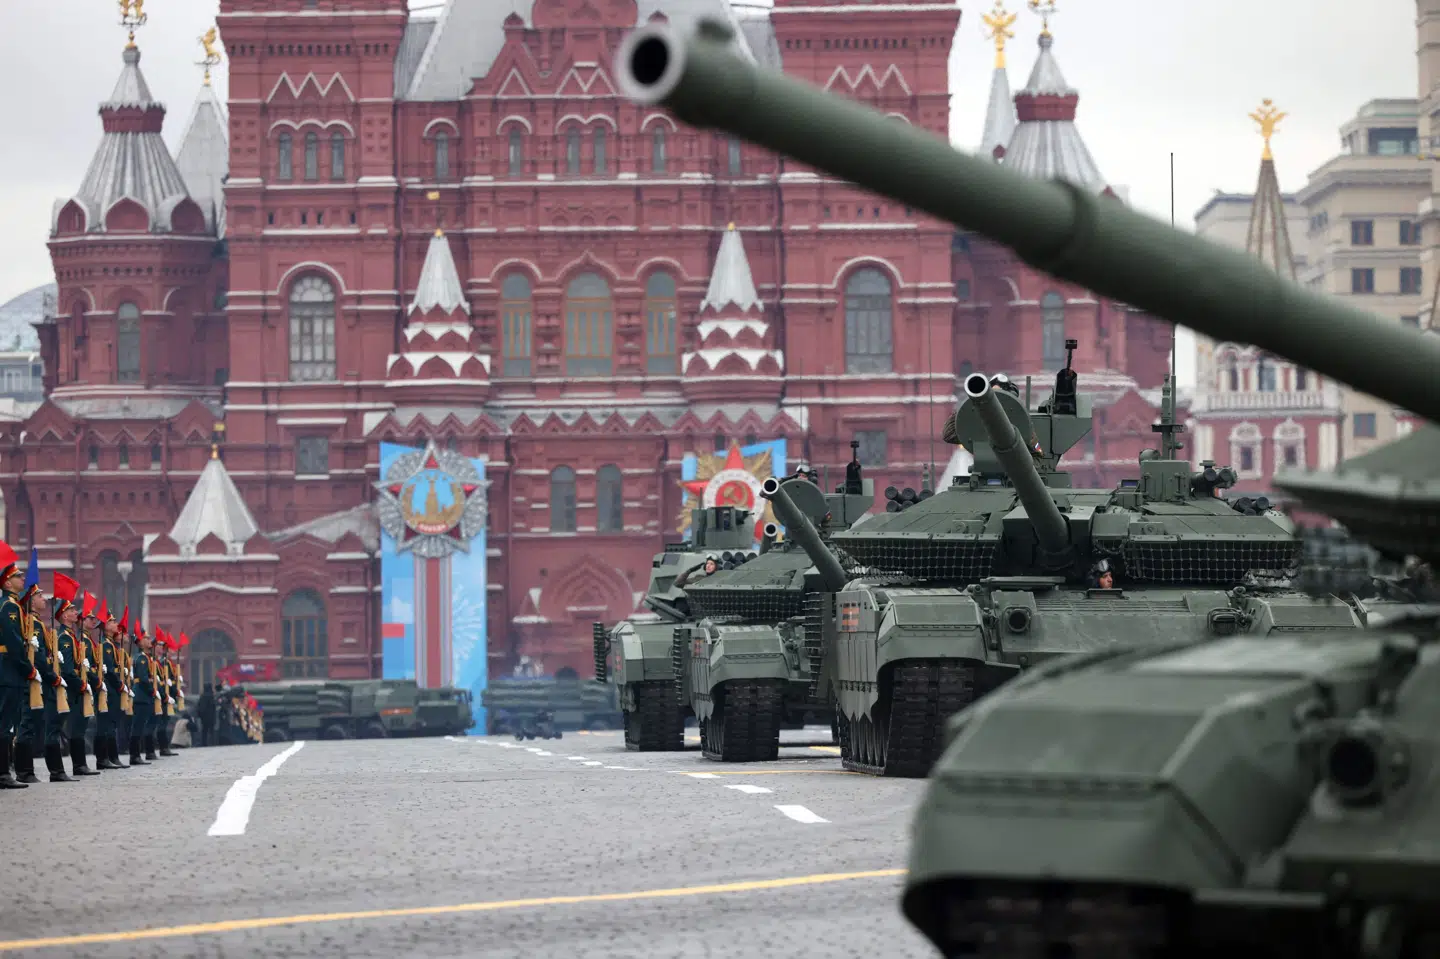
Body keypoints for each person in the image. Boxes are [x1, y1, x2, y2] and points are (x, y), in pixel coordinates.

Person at [53, 577, 98, 777]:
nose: (75, 613)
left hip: (78, 687)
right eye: (71, 611)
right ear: (63, 615)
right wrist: (81, 685)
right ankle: (75, 765)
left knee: (80, 725)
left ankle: (80, 765)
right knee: (72, 726)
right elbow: (68, 668)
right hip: (72, 688)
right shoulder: (64, 637)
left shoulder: (71, 636)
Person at [0, 542, 31, 789]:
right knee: (5, 723)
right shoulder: (9, 607)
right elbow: (13, 641)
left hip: (9, 670)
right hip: (9, 670)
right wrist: (26, 667)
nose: (22, 579)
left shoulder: (12, 605)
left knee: (7, 721)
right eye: (18, 576)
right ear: (7, 583)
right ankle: (2, 774)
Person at [129, 627, 156, 765]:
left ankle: (136, 755)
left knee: (140, 725)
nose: (149, 639)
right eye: (146, 638)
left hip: (144, 695)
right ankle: (134, 755)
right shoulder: (141, 659)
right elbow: (144, 679)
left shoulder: (146, 658)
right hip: (141, 695)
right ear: (140, 643)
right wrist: (152, 691)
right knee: (138, 726)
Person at [198, 682, 216, 747]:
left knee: (204, 731)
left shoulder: (203, 696)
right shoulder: (212, 696)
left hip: (204, 717)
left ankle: (204, 743)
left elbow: (201, 707)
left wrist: (200, 715)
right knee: (211, 731)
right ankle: (212, 743)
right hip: (211, 717)